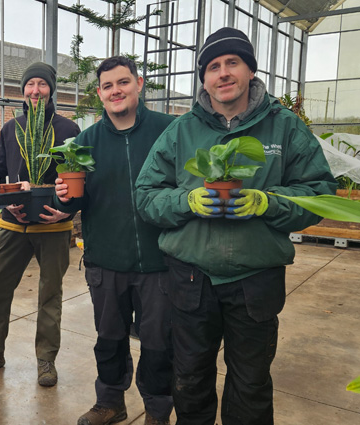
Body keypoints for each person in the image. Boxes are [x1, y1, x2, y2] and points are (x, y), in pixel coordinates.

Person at [134, 27, 336, 425]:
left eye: (232, 63)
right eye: (213, 67)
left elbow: (319, 191)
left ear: (249, 71)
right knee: (190, 378)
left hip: (256, 278)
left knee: (251, 382)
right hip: (191, 277)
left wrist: (268, 202)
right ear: (204, 79)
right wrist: (186, 200)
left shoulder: (284, 127)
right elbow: (145, 194)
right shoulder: (181, 131)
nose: (223, 73)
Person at [54, 56, 175, 425]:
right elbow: (79, 200)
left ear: (139, 84)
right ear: (99, 94)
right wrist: (65, 195)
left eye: (123, 82)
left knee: (159, 343)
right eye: (108, 86)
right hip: (106, 261)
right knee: (108, 338)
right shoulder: (85, 142)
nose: (116, 91)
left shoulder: (169, 131)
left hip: (160, 262)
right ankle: (110, 402)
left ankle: (157, 410)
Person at [0, 62, 81, 386]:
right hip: (12, 224)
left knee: (50, 294)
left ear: (51, 89)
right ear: (23, 91)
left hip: (54, 225)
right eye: (30, 85)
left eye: (41, 84)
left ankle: (46, 358)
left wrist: (68, 210)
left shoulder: (68, 130)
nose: (35, 90)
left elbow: (78, 178)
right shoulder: (11, 128)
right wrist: (7, 203)